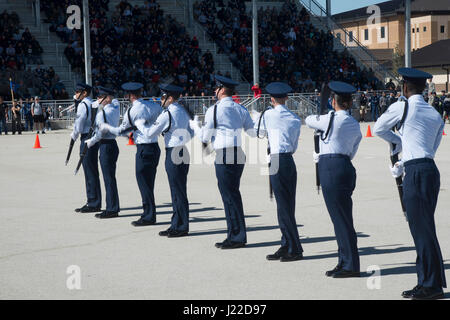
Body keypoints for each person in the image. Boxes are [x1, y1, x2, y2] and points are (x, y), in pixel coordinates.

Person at [373, 68, 446, 300]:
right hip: (429, 169)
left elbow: (379, 128)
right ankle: (425, 279)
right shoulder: (434, 113)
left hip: (416, 173)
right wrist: (405, 157)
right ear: (423, 88)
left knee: (421, 230)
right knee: (422, 228)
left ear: (405, 87)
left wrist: (398, 143)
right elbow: (430, 148)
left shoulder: (402, 106)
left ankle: (431, 285)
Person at [189, 75, 256, 249]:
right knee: (232, 194)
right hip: (238, 153)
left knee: (229, 196)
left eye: (215, 88)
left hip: (225, 155)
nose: (214, 91)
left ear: (221, 90)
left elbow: (205, 136)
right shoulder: (240, 108)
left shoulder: (215, 109)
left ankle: (237, 236)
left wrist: (196, 127)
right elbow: (252, 132)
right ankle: (234, 234)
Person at [305, 81, 362, 278]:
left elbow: (309, 119)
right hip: (345, 165)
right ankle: (344, 260)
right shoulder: (354, 123)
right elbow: (353, 149)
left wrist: (323, 114)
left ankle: (350, 265)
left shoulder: (329, 118)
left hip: (331, 167)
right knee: (341, 218)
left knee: (341, 219)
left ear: (333, 102)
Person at [134, 84, 194, 237]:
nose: (161, 100)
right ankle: (177, 223)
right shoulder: (183, 110)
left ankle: (180, 226)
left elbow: (149, 133)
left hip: (173, 151)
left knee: (176, 190)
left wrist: (139, 124)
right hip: (182, 150)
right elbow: (192, 131)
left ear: (170, 98)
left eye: (163, 97)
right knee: (179, 190)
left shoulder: (167, 114)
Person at [100, 82, 162, 227]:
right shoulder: (153, 105)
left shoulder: (132, 111)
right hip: (154, 146)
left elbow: (121, 130)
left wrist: (107, 127)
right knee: (149, 183)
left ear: (130, 95)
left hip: (143, 148)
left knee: (143, 183)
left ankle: (148, 216)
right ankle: (150, 213)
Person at [254, 82, 304, 262]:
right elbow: (294, 145)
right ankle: (286, 244)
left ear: (271, 98)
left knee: (283, 206)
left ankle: (295, 248)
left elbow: (257, 132)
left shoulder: (268, 114)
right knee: (287, 204)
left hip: (276, 159)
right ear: (287, 98)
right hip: (289, 159)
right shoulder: (295, 118)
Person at [85, 87, 121, 219]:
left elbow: (101, 132)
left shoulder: (102, 113)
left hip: (105, 145)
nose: (98, 100)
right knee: (110, 177)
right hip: (113, 145)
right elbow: (115, 101)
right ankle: (112, 206)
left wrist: (91, 141)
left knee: (108, 178)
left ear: (107, 98)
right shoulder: (115, 107)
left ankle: (112, 209)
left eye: (101, 97)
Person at [71, 83, 102, 213]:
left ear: (84, 93)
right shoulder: (93, 103)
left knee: (89, 171)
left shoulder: (83, 105)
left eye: (78, 91)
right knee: (92, 170)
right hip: (94, 137)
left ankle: (93, 202)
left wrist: (74, 135)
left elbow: (79, 123)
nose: (76, 93)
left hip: (86, 137)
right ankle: (94, 200)